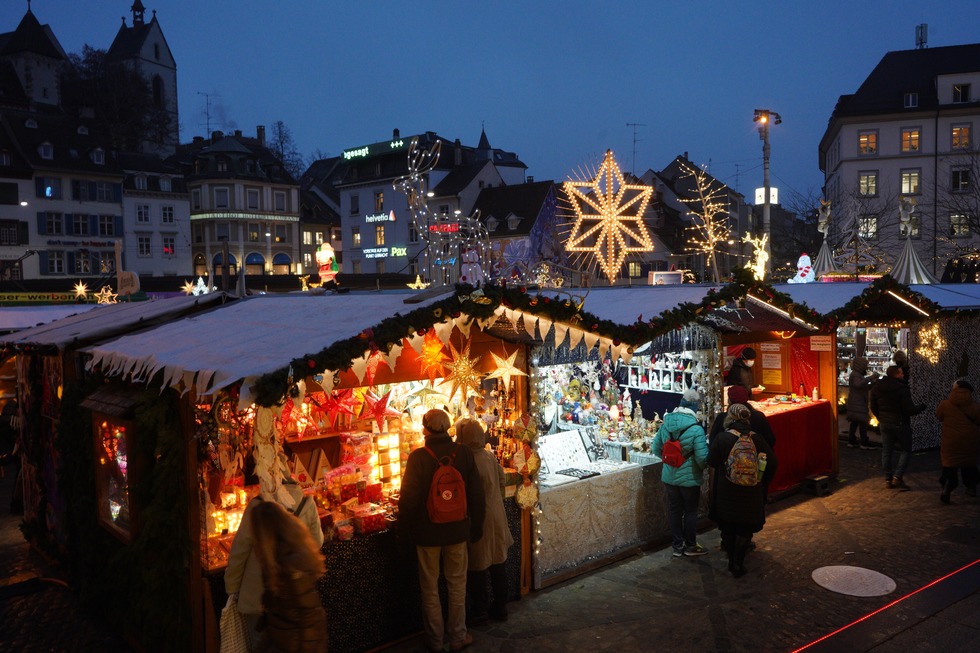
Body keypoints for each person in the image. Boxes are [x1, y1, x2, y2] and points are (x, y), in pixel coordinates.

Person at [226, 406, 324, 650]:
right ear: (289, 467)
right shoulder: (306, 503)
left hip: (256, 596)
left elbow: (238, 552)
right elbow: (317, 542)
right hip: (291, 596)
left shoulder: (258, 508)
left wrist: (232, 589)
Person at [399, 409, 485, 653]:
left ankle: (435, 641)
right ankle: (458, 636)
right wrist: (476, 525)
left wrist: (403, 531)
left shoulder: (418, 457)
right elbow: (477, 494)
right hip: (457, 531)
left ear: (425, 429)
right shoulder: (464, 453)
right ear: (447, 428)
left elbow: (409, 500)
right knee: (457, 584)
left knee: (430, 588)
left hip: (427, 535)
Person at [454, 418, 513, 625]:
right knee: (498, 563)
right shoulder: (489, 457)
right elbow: (502, 483)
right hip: (496, 516)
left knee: (477, 567)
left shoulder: (466, 462)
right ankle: (500, 607)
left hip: (480, 519)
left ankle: (479, 610)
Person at [249, 499, 328, 653]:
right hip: (286, 640)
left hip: (295, 645)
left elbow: (309, 616)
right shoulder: (276, 560)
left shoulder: (291, 565)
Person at [708, 403, 777, 578]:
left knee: (729, 526)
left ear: (729, 418)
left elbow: (712, 461)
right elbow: (773, 463)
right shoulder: (757, 439)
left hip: (727, 491)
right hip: (751, 492)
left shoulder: (723, 438)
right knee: (745, 528)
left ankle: (731, 559)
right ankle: (738, 562)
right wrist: (761, 481)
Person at [652, 389, 709, 557]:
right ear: (694, 408)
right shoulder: (696, 429)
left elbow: (656, 449)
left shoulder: (665, 424)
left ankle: (677, 546)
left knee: (675, 510)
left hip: (669, 477)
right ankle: (691, 546)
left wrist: (671, 461)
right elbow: (701, 458)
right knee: (690, 512)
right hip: (689, 479)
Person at [869, 365, 926, 491]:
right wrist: (922, 407)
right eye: (901, 373)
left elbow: (873, 405)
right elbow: (909, 409)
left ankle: (888, 479)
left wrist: (880, 417)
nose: (903, 375)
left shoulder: (877, 387)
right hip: (900, 423)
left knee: (887, 450)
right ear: (896, 374)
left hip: (885, 423)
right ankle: (897, 477)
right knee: (906, 449)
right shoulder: (902, 388)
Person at [935, 378, 980, 504]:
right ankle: (971, 487)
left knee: (950, 466)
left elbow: (939, 416)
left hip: (950, 441)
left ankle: (947, 487)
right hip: (969, 440)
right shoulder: (975, 407)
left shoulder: (945, 404)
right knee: (969, 464)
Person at [708, 385, 775, 449]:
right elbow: (770, 440)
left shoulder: (722, 417)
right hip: (754, 458)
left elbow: (713, 443)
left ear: (729, 401)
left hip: (727, 459)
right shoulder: (758, 416)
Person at [846, 357, 877, 449]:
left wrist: (873, 383)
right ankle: (863, 442)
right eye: (865, 365)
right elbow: (858, 385)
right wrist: (872, 377)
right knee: (862, 422)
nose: (866, 367)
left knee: (855, 422)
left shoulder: (856, 374)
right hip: (858, 403)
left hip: (856, 402)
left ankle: (852, 440)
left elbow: (862, 387)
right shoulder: (856, 375)